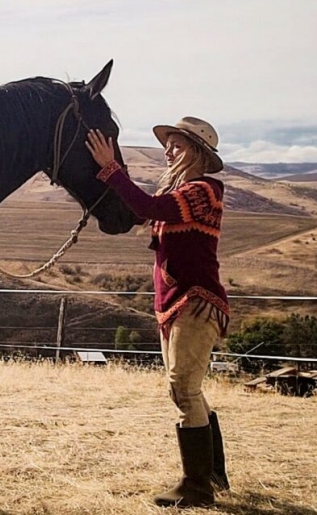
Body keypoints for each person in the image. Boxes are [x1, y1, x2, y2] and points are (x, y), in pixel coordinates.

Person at [85, 116, 230, 509]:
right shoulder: (187, 193)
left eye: (177, 145)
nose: (168, 151)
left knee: (183, 388)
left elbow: (146, 205)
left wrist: (110, 167)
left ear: (198, 153)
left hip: (195, 302)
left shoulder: (204, 191)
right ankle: (213, 474)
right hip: (177, 304)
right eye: (169, 144)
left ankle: (197, 486)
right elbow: (141, 210)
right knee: (188, 389)